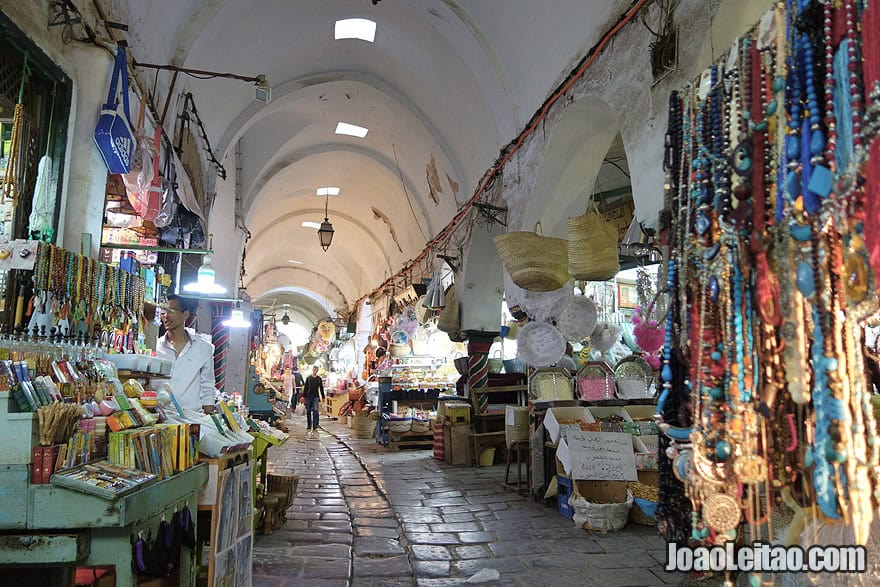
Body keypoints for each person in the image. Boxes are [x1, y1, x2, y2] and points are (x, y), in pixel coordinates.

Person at [156, 294, 217, 414]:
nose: (166, 316)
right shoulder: (155, 347)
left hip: (192, 417)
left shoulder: (203, 349)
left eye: (172, 310)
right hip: (160, 416)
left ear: (185, 314)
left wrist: (210, 419)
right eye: (163, 312)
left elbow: (208, 386)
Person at [302, 366, 325, 431]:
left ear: (317, 371)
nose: (315, 371)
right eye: (314, 369)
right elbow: (306, 387)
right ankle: (309, 425)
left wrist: (323, 397)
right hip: (308, 396)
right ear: (312, 370)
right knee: (308, 410)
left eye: (316, 370)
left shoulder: (319, 379)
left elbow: (321, 388)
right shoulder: (308, 378)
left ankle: (315, 425)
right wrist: (303, 396)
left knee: (315, 410)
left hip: (316, 397)